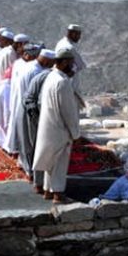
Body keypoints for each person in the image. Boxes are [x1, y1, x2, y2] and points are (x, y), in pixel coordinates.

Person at [33, 49, 80, 203]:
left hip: (48, 125)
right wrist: (75, 133)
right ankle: (58, 194)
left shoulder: (51, 77)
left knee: (50, 161)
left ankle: (48, 190)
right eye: (71, 63)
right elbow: (68, 111)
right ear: (65, 62)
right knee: (59, 162)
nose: (72, 66)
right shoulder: (62, 82)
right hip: (59, 128)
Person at [10, 46, 55, 186]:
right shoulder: (36, 72)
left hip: (22, 106)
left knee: (25, 141)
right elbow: (33, 97)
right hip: (29, 110)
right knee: (31, 142)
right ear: (47, 61)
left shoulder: (28, 66)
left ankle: (25, 166)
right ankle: (32, 173)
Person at [22, 51, 55, 193]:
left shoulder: (58, 78)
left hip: (51, 122)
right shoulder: (42, 77)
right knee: (39, 150)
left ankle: (48, 184)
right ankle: (40, 183)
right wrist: (38, 118)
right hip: (39, 120)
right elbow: (29, 99)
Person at [55, 24, 86, 107]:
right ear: (72, 33)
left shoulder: (60, 43)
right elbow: (80, 65)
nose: (79, 37)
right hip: (70, 86)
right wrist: (73, 70)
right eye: (78, 35)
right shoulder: (69, 47)